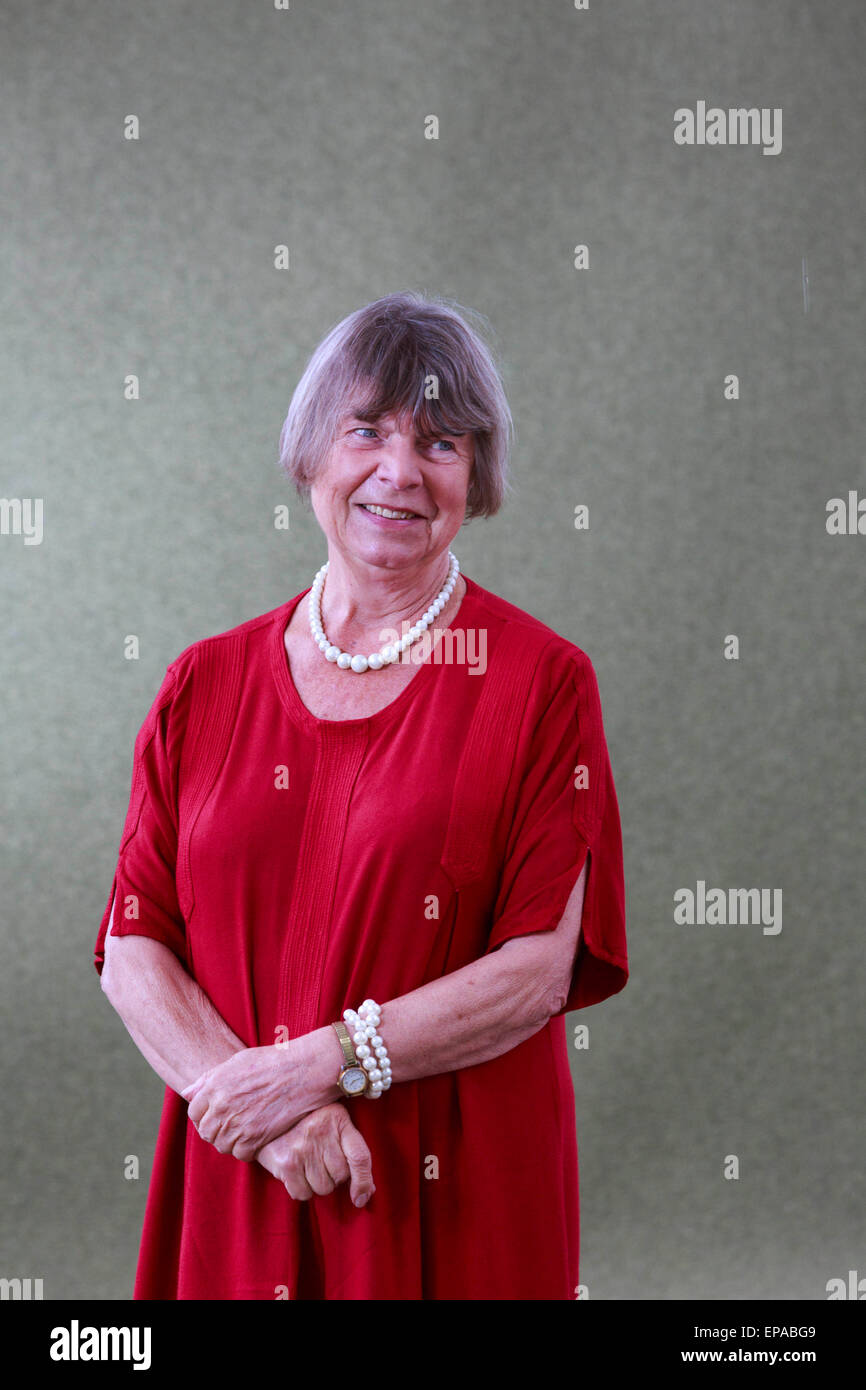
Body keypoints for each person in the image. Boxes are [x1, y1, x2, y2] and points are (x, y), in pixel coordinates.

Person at [94, 290, 628, 1300]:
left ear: (475, 478)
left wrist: (310, 1069)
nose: (398, 470)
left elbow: (534, 974)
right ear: (310, 453)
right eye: (366, 430)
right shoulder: (201, 683)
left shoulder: (540, 682)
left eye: (440, 443)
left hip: (449, 1191)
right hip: (252, 1165)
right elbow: (132, 945)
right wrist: (269, 1114)